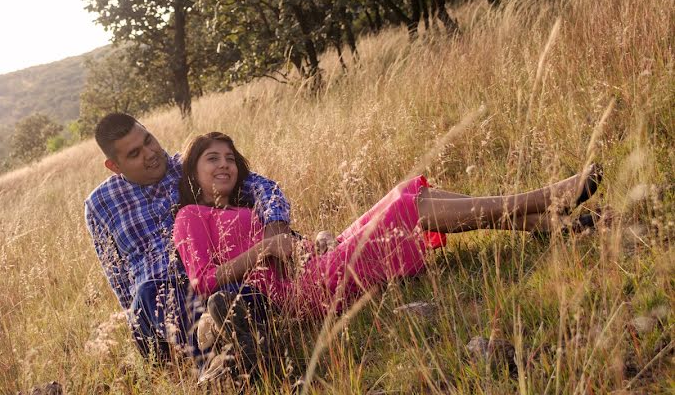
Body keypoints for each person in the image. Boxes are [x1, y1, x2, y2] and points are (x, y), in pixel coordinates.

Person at [173, 132, 602, 316]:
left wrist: (315, 241)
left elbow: (288, 248)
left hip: (316, 262)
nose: (225, 164)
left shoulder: (247, 206)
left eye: (230, 158)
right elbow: (202, 282)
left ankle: (549, 225)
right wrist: (262, 251)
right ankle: (548, 197)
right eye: (213, 159)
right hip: (303, 293)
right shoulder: (190, 217)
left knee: (402, 194)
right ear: (193, 172)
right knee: (406, 209)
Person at [84, 114, 290, 366]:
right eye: (135, 153)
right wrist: (142, 335)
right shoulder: (99, 204)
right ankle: (220, 358)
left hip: (212, 276)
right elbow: (118, 276)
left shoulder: (190, 166)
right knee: (149, 293)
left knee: (234, 295)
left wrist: (275, 226)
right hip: (158, 296)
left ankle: (237, 352)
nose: (150, 153)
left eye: (149, 140)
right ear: (114, 166)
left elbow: (263, 188)